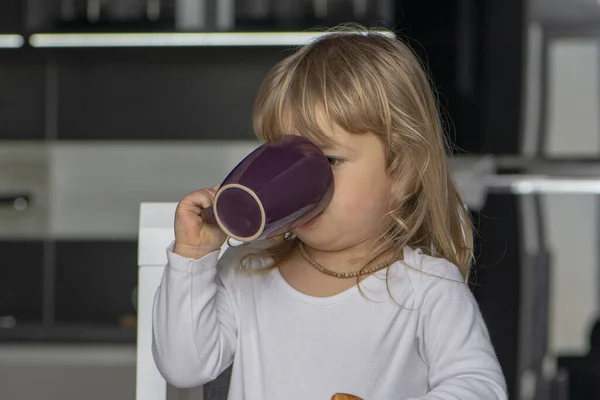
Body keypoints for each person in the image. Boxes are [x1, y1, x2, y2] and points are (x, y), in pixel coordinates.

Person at [152, 25, 507, 399]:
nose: (302, 182)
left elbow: (479, 389)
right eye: (285, 158)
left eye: (331, 159)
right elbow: (184, 366)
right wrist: (193, 257)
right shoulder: (248, 270)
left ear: (402, 171)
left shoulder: (427, 287)